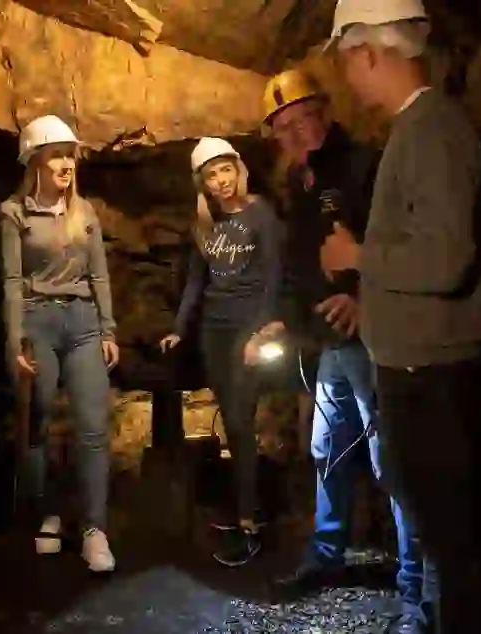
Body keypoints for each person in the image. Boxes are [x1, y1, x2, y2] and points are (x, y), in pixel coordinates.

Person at [320, 2, 481, 633]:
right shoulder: (415, 129)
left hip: (433, 371)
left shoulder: (434, 130)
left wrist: (357, 255)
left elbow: (446, 259)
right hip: (414, 364)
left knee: (451, 543)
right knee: (441, 532)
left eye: (347, 61)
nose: (349, 77)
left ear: (369, 52)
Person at [262, 69, 435, 633]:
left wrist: (365, 302)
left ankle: (418, 593)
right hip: (328, 343)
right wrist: (283, 323)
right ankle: (327, 555)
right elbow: (297, 264)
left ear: (325, 112)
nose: (293, 135)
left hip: (371, 338)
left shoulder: (366, 167)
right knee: (327, 447)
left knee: (394, 461)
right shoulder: (300, 182)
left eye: (300, 121)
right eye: (281, 129)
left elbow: (400, 246)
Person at [0, 115, 120, 571]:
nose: (67, 163)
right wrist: (15, 340)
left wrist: (108, 328)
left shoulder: (83, 212)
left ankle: (94, 529)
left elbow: (99, 273)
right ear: (35, 162)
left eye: (70, 155)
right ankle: (45, 515)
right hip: (38, 321)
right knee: (38, 424)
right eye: (57, 156)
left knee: (93, 427)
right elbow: (12, 281)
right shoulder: (13, 214)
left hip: (83, 322)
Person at [159, 137, 283, 567]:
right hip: (215, 329)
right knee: (231, 421)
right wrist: (179, 329)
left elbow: (274, 277)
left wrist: (262, 331)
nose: (221, 181)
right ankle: (243, 508)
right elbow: (197, 281)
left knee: (240, 421)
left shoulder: (260, 213)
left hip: (248, 328)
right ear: (203, 184)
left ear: (238, 168)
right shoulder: (205, 224)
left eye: (225, 170)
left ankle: (250, 521)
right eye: (211, 176)